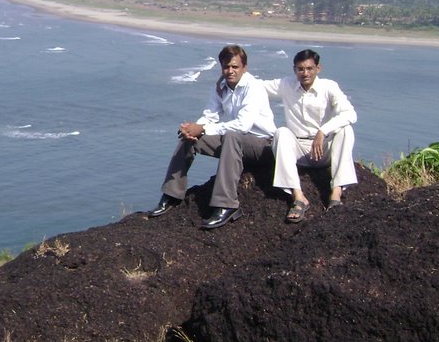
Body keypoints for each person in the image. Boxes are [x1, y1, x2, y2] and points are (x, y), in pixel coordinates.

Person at [151, 44, 276, 229]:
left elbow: (243, 125)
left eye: (235, 67)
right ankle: (172, 194)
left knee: (231, 136)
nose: (230, 71)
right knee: (189, 139)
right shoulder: (221, 87)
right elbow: (210, 115)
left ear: (244, 68)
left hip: (262, 145)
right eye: (226, 66)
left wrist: (202, 129)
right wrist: (194, 129)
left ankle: (227, 205)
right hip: (235, 143)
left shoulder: (254, 88)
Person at [261, 48, 357, 222]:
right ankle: (298, 197)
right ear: (294, 70)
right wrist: (227, 78)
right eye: (300, 69)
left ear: (318, 68)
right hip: (299, 150)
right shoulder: (286, 84)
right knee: (281, 132)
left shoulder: (329, 87)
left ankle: (336, 193)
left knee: (345, 130)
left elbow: (350, 114)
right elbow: (257, 87)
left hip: (324, 150)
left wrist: (323, 131)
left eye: (309, 68)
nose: (305, 73)